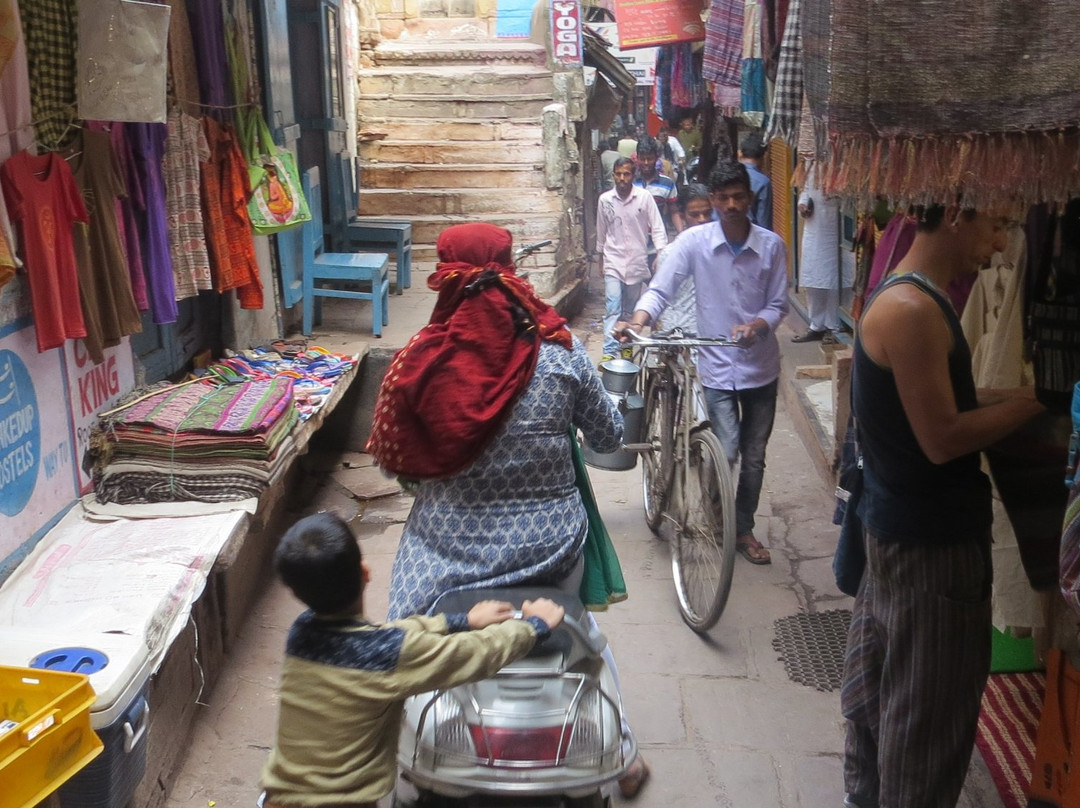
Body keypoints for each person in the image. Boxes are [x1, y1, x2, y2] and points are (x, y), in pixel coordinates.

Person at [371, 221, 651, 798]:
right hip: (552, 548)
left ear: (446, 279)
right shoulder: (561, 356)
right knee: (583, 633)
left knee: (405, 637)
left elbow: (397, 465)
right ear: (513, 273)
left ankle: (389, 741)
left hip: (443, 554)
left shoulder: (420, 363)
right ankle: (621, 751)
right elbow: (606, 438)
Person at [842, 204, 1045, 808]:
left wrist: (1029, 394)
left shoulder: (911, 297)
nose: (1003, 242)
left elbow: (942, 393)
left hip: (901, 535)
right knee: (927, 723)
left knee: (885, 701)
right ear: (957, 215)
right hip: (928, 548)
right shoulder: (913, 310)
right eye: (998, 224)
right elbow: (944, 436)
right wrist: (1037, 406)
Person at [260, 511, 567, 808]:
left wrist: (457, 621)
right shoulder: (390, 654)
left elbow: (385, 636)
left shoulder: (301, 633)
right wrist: (533, 626)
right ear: (366, 572)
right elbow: (473, 653)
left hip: (279, 798)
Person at [617, 161, 788, 565]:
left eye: (738, 197)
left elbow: (779, 303)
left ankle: (742, 527)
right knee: (726, 448)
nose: (731, 204)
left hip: (761, 368)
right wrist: (637, 320)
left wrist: (758, 325)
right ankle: (719, 515)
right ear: (714, 200)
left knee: (755, 456)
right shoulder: (693, 243)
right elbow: (661, 289)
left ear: (750, 199)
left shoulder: (772, 246)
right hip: (715, 366)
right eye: (723, 197)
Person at [596, 157, 668, 360]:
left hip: (637, 261)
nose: (622, 178)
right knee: (613, 307)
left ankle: (626, 347)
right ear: (613, 175)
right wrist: (600, 259)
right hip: (613, 259)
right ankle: (610, 352)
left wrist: (660, 254)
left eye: (626, 174)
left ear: (633, 176)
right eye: (618, 174)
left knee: (629, 310)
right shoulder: (605, 200)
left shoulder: (644, 198)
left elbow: (657, 226)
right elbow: (601, 230)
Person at [792, 166, 852, 342]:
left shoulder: (845, 165)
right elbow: (805, 191)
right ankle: (816, 325)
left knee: (835, 278)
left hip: (837, 229)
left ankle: (834, 326)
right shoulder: (810, 166)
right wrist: (802, 205)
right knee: (814, 279)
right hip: (814, 229)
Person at [652, 183, 714, 334]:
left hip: (710, 336)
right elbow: (659, 294)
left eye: (707, 213)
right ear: (682, 216)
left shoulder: (721, 251)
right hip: (673, 335)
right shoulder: (670, 253)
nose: (702, 219)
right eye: (694, 215)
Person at [634, 134, 683, 236]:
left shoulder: (668, 184)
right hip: (633, 243)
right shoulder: (631, 182)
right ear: (637, 158)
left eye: (650, 159)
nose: (646, 163)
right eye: (642, 159)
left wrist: (681, 234)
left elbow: (674, 212)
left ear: (656, 158)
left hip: (659, 241)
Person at [737, 131, 773, 230]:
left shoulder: (729, 175)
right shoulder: (763, 182)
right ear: (764, 156)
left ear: (740, 153)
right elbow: (764, 223)